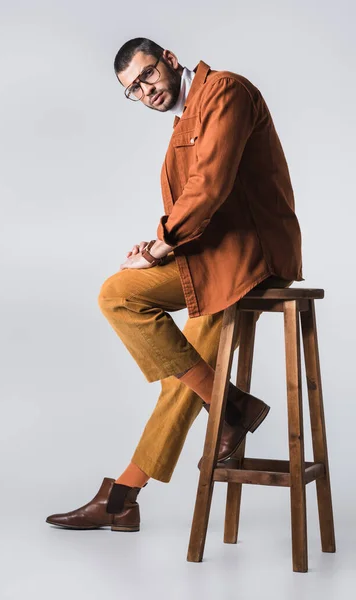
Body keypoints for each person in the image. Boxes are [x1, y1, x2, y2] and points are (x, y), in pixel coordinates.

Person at [46, 38, 304, 532]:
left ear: (169, 58)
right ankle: (142, 480)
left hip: (253, 256)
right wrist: (153, 247)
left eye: (146, 76)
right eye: (132, 91)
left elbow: (210, 187)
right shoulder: (183, 122)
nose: (144, 92)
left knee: (131, 309)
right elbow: (194, 203)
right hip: (215, 257)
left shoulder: (225, 91)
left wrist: (163, 246)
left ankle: (130, 489)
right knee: (159, 334)